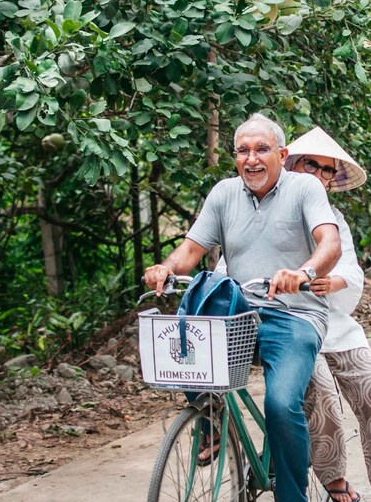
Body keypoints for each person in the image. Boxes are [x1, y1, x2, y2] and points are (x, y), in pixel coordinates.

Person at [144, 113, 341, 502]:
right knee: (185, 340)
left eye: (262, 149)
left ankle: (291, 496)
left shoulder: (305, 188)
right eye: (243, 150)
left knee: (281, 404)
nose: (252, 159)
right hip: (239, 312)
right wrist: (164, 269)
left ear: (282, 155)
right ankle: (212, 422)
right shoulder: (223, 193)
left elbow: (329, 244)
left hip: (295, 316)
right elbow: (190, 250)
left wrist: (303, 272)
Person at [284, 127, 371, 502]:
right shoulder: (268, 208)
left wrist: (333, 283)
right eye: (310, 164)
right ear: (292, 166)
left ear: (332, 180)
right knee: (324, 398)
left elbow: (350, 271)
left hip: (334, 324)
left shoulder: (333, 219)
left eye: (327, 169)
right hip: (290, 326)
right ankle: (334, 481)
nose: (318, 174)